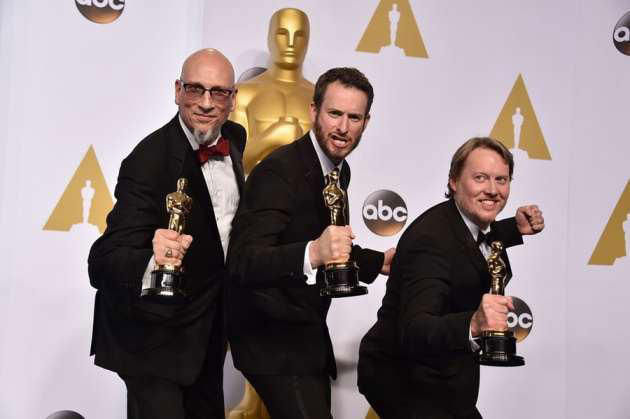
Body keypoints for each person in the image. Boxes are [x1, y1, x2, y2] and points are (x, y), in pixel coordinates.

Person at [226, 67, 395, 419]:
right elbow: (244, 260)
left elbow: (325, 240)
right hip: (270, 339)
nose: (343, 127)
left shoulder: (338, 170)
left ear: (366, 122)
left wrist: (378, 262)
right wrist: (313, 252)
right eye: (334, 113)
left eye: (354, 117)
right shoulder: (278, 171)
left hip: (304, 337)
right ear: (314, 111)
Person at [88, 48, 246, 419]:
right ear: (177, 90)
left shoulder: (235, 138)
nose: (206, 103)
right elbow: (103, 261)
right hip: (152, 339)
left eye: (218, 92)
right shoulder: (148, 161)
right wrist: (152, 258)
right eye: (195, 89)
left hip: (206, 332)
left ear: (233, 99)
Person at [358, 137, 544, 419]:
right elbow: (414, 328)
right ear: (454, 181)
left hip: (446, 371)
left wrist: (514, 229)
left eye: (501, 180)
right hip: (403, 376)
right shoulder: (430, 241)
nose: (493, 190)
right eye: (480, 178)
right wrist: (474, 323)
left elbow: (471, 247)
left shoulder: (469, 223)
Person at [230, 7, 314, 174]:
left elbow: (329, 164)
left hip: (307, 189)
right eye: (282, 34)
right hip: (255, 188)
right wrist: (272, 136)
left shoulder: (321, 98)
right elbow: (232, 162)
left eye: (299, 35)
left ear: (308, 42)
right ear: (269, 39)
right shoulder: (243, 94)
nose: (291, 43)